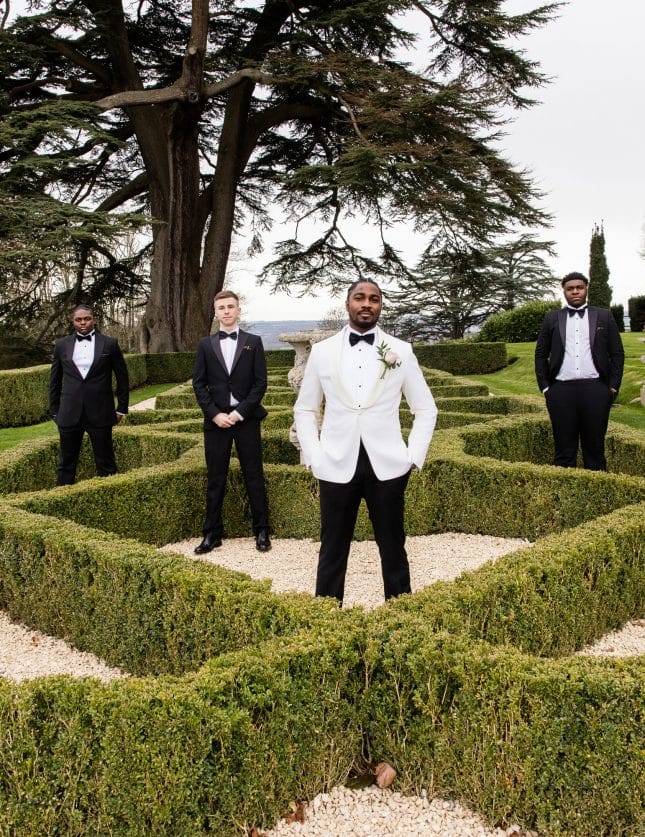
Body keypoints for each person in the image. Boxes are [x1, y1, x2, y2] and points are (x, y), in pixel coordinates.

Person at [294, 280, 438, 604]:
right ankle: (326, 623)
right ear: (347, 305)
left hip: (387, 467)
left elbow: (426, 408)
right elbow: (304, 408)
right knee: (332, 550)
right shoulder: (322, 351)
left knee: (393, 549)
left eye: (374, 299)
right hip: (334, 464)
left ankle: (401, 620)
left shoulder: (401, 351)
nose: (366, 304)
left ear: (380, 306)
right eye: (360, 298)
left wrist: (413, 455)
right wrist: (313, 456)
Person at [192, 290, 271, 554]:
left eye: (230, 306)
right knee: (215, 477)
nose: (226, 311)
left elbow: (260, 383)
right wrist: (215, 414)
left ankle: (262, 530)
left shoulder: (254, 342)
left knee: (254, 475)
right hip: (216, 422)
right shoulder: (205, 345)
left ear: (238, 310)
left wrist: (240, 413)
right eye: (221, 308)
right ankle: (212, 534)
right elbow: (199, 384)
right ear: (216, 313)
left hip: (246, 420)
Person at [534, 271, 624, 470]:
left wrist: (612, 387)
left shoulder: (604, 316)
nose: (575, 291)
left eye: (579, 287)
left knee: (595, 451)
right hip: (561, 392)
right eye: (570, 288)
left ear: (586, 289)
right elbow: (540, 355)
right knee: (564, 453)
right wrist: (546, 388)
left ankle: (599, 497)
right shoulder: (551, 318)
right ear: (564, 291)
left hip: (596, 391)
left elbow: (617, 354)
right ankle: (564, 498)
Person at [48, 303, 129, 485]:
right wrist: (55, 411)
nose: (83, 323)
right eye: (79, 319)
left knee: (106, 463)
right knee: (66, 465)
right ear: (73, 322)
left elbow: (123, 378)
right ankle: (61, 502)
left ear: (94, 320)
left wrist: (121, 409)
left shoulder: (109, 344)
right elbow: (54, 380)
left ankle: (110, 502)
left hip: (101, 412)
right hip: (69, 414)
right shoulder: (62, 346)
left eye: (87, 319)